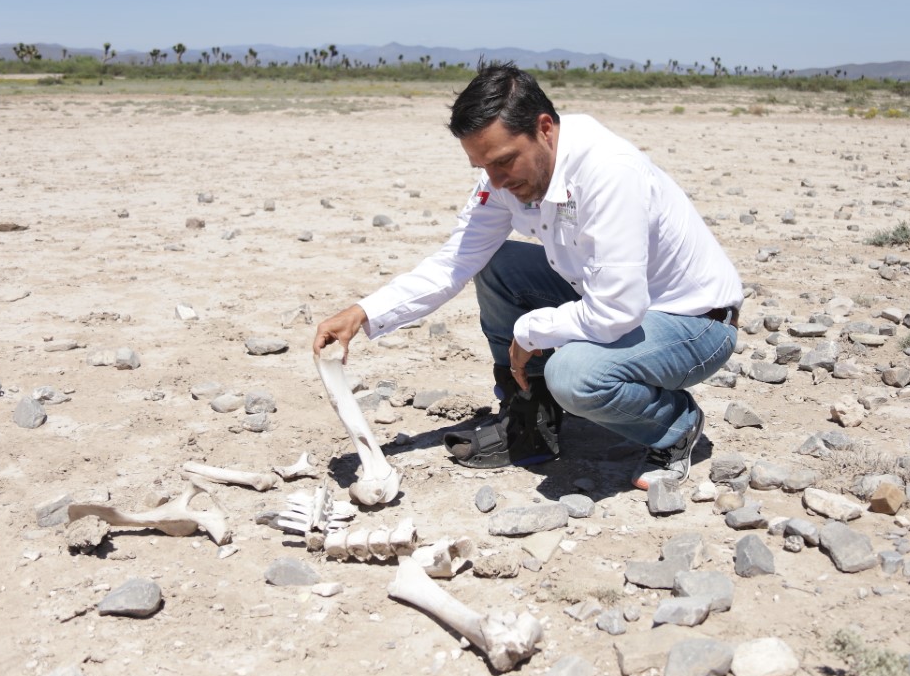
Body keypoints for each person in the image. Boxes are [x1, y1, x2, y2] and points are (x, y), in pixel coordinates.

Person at [314, 64, 743, 490]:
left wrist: (530, 331)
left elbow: (617, 310)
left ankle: (674, 424)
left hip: (694, 322)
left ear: (544, 128)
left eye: (503, 161)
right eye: (482, 167)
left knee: (574, 376)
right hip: (609, 297)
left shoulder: (609, 172)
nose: (495, 180)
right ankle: (530, 415)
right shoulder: (505, 177)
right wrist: (363, 313)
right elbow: (455, 262)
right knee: (498, 264)